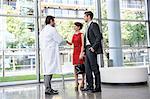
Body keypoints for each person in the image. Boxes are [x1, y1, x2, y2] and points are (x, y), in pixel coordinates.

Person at [39, 15, 63, 95]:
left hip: (45, 52)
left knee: (47, 70)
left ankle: (48, 88)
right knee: (49, 71)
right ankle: (48, 89)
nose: (54, 22)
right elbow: (59, 39)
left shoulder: (43, 30)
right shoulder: (52, 29)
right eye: (53, 21)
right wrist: (64, 41)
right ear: (50, 21)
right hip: (50, 53)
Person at [81, 11, 103, 93]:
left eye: (84, 16)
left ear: (89, 16)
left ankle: (98, 87)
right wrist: (83, 50)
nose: (84, 18)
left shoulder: (94, 25)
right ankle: (89, 86)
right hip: (87, 49)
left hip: (91, 49)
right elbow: (86, 40)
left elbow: (98, 37)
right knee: (87, 69)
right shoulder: (87, 26)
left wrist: (93, 47)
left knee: (94, 68)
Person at [66, 22, 85, 91]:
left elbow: (83, 44)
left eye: (75, 26)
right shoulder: (74, 35)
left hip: (80, 51)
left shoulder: (81, 34)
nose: (74, 27)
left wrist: (81, 53)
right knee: (75, 67)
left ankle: (83, 82)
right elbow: (71, 43)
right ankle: (76, 82)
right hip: (75, 52)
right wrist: (66, 41)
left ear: (79, 27)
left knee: (82, 67)